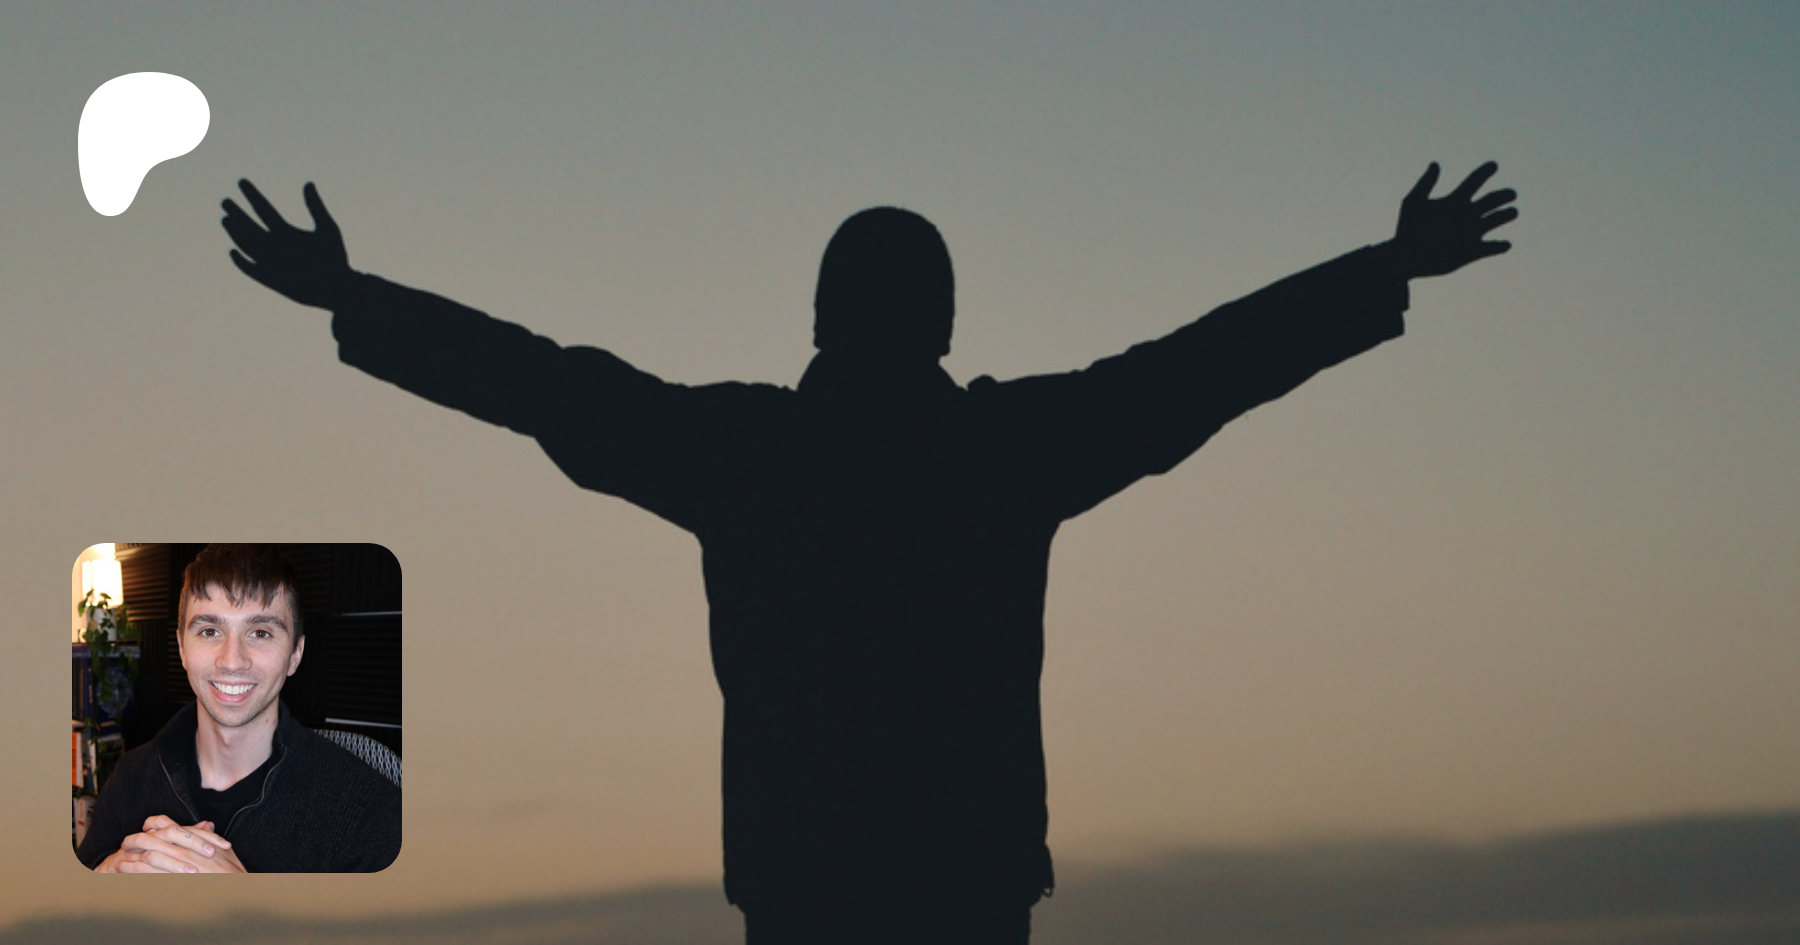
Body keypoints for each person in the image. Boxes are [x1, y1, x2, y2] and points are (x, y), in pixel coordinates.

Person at [221, 164, 1514, 940]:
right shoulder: (1004, 450)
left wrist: (354, 297)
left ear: (822, 318)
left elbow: (541, 383)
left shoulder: (747, 453)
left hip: (809, 883)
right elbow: (1202, 370)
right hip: (962, 882)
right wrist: (1385, 266)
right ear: (943, 322)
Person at [75, 543, 401, 873]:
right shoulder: (131, 776)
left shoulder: (368, 808)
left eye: (260, 633)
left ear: (295, 654)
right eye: (209, 631)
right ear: (182, 648)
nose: (232, 661)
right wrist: (106, 871)